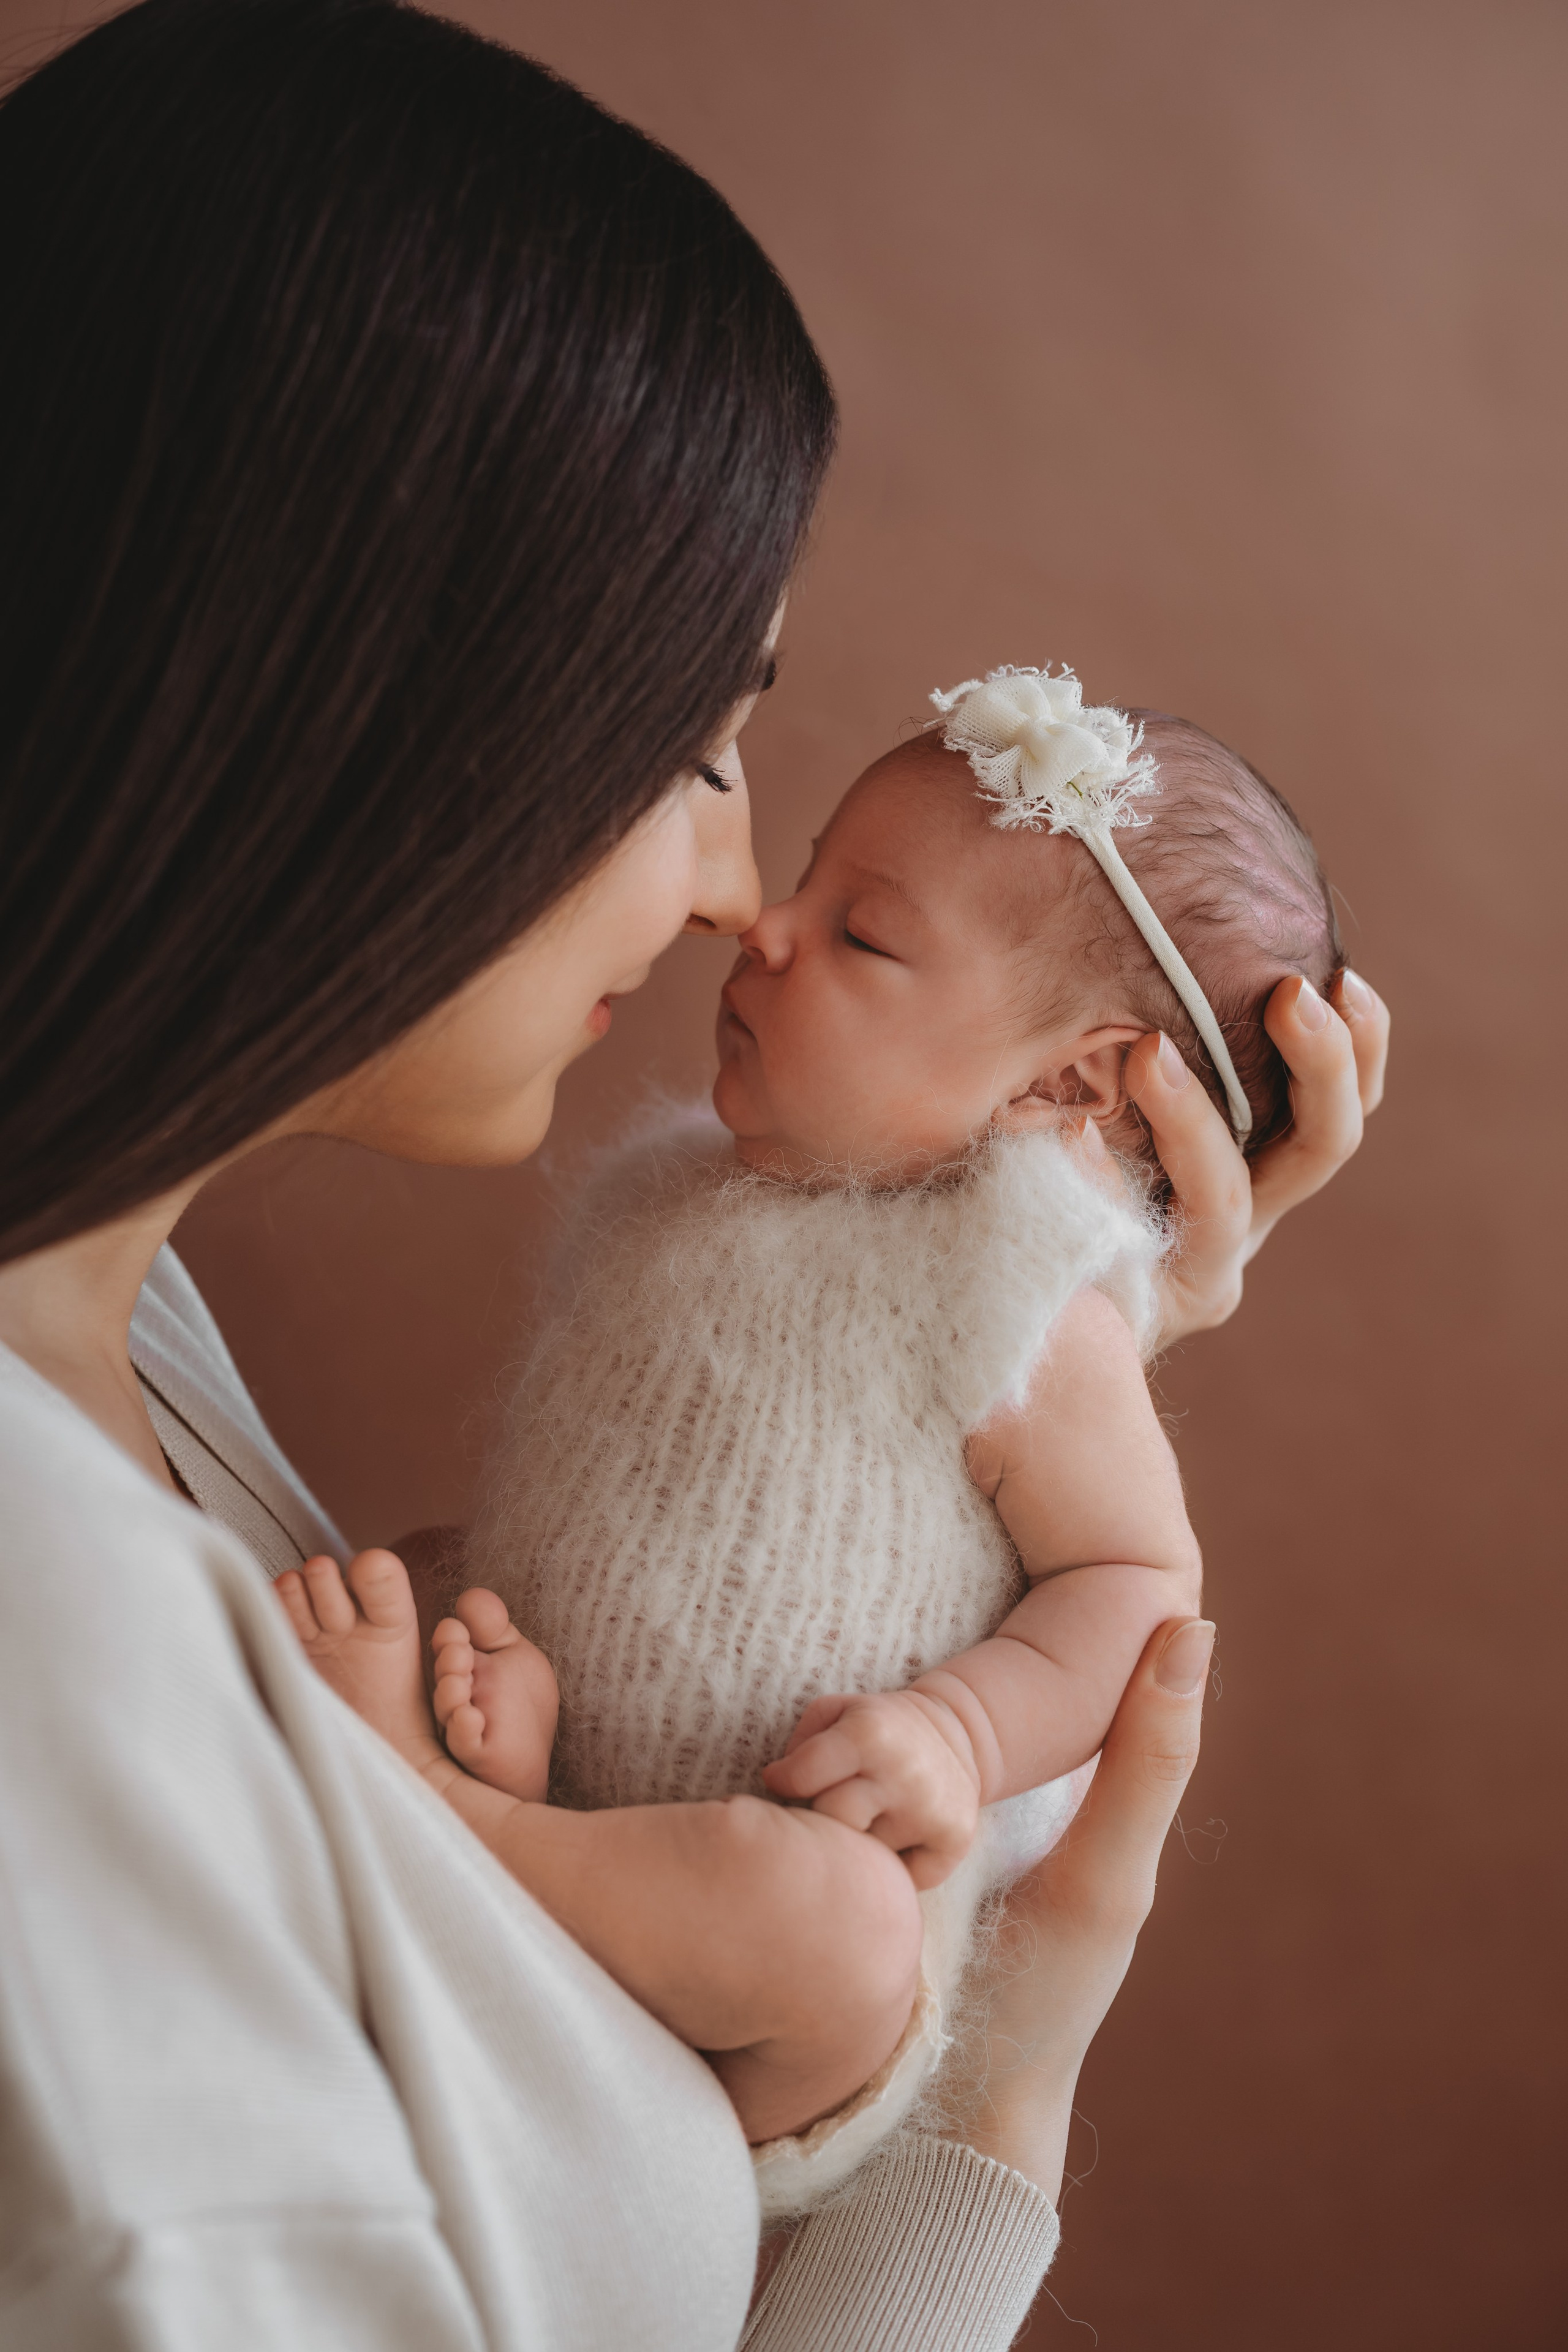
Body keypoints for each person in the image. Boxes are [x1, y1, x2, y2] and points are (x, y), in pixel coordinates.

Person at [0, 2, 1390, 2346]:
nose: (733, 894)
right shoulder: (62, 1646)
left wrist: (1049, 1294)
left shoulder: (127, 1339)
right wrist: (999, 2105)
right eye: (698, 748)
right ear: (361, 694)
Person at [273, 675, 1340, 2216]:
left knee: (827, 1916)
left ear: (1063, 1081)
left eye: (863, 935)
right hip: (589, 1807)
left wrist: (958, 1736)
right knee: (429, 1576)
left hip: (783, 1969)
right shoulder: (681, 1181)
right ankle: (518, 1788)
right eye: (811, 882)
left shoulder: (1022, 1289)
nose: (767, 927)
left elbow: (1129, 1576)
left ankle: (455, 1812)